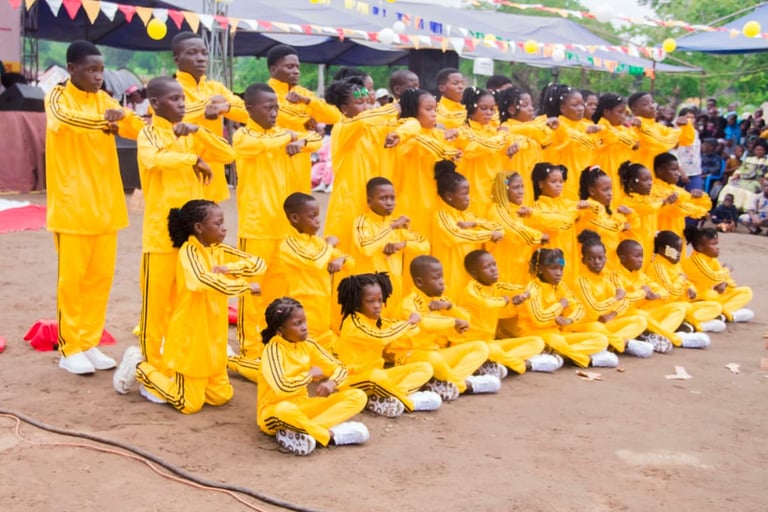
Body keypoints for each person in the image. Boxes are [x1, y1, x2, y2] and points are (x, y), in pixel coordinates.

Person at [45, 41, 145, 375]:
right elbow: (67, 120)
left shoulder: (105, 100)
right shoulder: (58, 96)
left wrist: (121, 119)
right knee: (72, 281)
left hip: (107, 206)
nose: (98, 76)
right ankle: (69, 347)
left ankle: (88, 341)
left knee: (99, 279)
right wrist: (107, 121)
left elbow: (136, 127)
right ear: (71, 68)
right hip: (73, 208)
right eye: (91, 69)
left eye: (101, 70)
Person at [113, 200, 266, 412]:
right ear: (199, 228)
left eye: (223, 222)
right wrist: (243, 286)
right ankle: (140, 367)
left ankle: (185, 380)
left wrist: (228, 267)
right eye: (218, 223)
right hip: (191, 340)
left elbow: (258, 263)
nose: (224, 227)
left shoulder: (220, 249)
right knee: (189, 404)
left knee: (222, 396)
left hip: (213, 340)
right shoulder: (189, 252)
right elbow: (203, 281)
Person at [136, 76, 235, 376]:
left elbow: (228, 154)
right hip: (161, 234)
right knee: (156, 305)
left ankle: (177, 360)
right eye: (174, 100)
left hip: (192, 237)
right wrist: (192, 159)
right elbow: (154, 159)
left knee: (185, 300)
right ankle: (149, 366)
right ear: (155, 104)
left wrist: (200, 133)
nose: (182, 104)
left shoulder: (191, 134)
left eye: (183, 99)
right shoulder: (149, 133)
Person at [228, 83, 320, 383]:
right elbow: (264, 143)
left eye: (276, 107)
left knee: (280, 289)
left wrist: (300, 142)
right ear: (250, 109)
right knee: (251, 291)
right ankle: (249, 350)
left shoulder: (281, 137)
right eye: (267, 107)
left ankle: (273, 342)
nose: (273, 112)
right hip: (256, 228)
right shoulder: (244, 136)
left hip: (282, 228)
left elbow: (317, 138)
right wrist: (293, 137)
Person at [256, 297, 369, 456]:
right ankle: (330, 436)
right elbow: (282, 388)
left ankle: (305, 431)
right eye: (297, 324)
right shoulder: (272, 350)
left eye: (304, 321)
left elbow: (340, 367)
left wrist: (332, 382)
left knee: (358, 396)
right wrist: (308, 375)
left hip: (303, 407)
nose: (304, 328)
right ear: (280, 329)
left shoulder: (308, 344)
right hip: (274, 411)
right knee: (286, 409)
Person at [335, 273, 442, 417]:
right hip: (354, 381)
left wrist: (409, 324)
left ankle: (383, 398)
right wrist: (408, 322)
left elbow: (411, 329)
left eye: (380, 300)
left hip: (379, 378)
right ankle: (408, 402)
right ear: (356, 302)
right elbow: (381, 338)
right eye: (370, 301)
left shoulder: (377, 321)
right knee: (377, 376)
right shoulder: (353, 323)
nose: (377, 305)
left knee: (424, 367)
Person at [396, 256, 500, 401]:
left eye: (442, 277)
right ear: (420, 282)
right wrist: (453, 321)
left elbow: (467, 320)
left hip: (436, 354)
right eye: (436, 278)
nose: (442, 282)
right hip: (408, 357)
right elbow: (425, 322)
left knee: (480, 348)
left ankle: (443, 382)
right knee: (434, 358)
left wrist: (449, 307)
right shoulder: (408, 304)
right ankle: (462, 385)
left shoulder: (440, 300)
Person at [323, 76, 400, 252]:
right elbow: (364, 120)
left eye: (367, 102)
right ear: (344, 108)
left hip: (372, 201)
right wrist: (392, 108)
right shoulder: (343, 128)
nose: (366, 107)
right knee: (345, 253)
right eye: (359, 103)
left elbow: (397, 125)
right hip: (349, 203)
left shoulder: (372, 127)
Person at [171, 32, 249, 202]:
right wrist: (205, 107)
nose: (201, 58)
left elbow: (248, 113)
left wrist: (226, 107)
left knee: (211, 225)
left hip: (212, 174)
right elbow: (168, 119)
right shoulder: (169, 89)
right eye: (192, 53)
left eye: (204, 53)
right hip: (183, 173)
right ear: (177, 59)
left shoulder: (216, 89)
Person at [459, 250, 563, 375]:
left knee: (536, 342)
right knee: (490, 350)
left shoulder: (497, 286)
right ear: (474, 273)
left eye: (494, 264)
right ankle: (527, 364)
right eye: (487, 267)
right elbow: (488, 302)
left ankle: (494, 364)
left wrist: (525, 295)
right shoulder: (470, 291)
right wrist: (507, 300)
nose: (493, 269)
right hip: (472, 345)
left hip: (490, 343)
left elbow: (529, 289)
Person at [516, 248, 615, 368]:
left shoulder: (561, 286)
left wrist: (569, 320)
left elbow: (579, 308)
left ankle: (559, 354)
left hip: (558, 335)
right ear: (541, 269)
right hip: (534, 335)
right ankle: (588, 360)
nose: (559, 273)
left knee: (600, 339)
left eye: (561, 269)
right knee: (558, 342)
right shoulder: (532, 288)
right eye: (553, 268)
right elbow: (540, 320)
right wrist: (560, 305)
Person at [278, 193, 354, 350]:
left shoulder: (318, 243)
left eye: (318, 215)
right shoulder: (289, 244)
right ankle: (236, 362)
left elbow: (351, 263)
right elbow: (314, 261)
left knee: (346, 356)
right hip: (304, 317)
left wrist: (341, 260)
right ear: (294, 218)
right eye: (312, 216)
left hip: (323, 321)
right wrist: (331, 245)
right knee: (310, 360)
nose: (318, 220)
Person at [266, 44, 342, 193]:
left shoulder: (303, 94)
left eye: (297, 67)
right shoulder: (264, 94)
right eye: (290, 67)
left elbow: (335, 116)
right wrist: (304, 120)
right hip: (273, 166)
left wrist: (308, 101)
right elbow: (274, 122)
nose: (296, 71)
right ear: (274, 69)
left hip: (300, 167)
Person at [350, 177, 430, 314]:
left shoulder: (397, 224)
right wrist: (391, 228)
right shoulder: (362, 221)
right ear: (369, 201)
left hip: (394, 286)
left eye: (392, 198)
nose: (389, 203)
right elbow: (366, 248)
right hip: (370, 288)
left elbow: (425, 246)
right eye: (383, 198)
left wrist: (402, 245)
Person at [387, 88, 461, 236]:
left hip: (435, 203)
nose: (434, 114)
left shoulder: (437, 134)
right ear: (414, 111)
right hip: (413, 204)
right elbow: (412, 132)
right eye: (428, 109)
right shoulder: (406, 136)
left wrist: (454, 140)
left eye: (435, 109)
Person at [613, 239, 708, 351]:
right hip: (627, 317)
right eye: (637, 257)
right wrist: (642, 293)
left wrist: (656, 295)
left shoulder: (640, 275)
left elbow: (665, 293)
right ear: (623, 258)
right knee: (641, 316)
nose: (641, 260)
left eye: (642, 256)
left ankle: (652, 336)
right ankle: (676, 339)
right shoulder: (615, 276)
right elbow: (623, 300)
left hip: (648, 313)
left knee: (679, 307)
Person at [571, 231, 652, 358]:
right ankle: (622, 344)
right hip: (582, 325)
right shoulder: (581, 281)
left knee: (639, 321)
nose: (597, 262)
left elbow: (624, 301)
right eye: (591, 259)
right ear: (584, 260)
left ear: (606, 258)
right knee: (597, 327)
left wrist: (612, 314)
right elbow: (594, 310)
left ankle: (609, 345)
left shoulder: (604, 278)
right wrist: (614, 299)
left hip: (604, 322)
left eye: (600, 258)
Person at [431, 161, 503, 298]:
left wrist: (475, 224)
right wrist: (487, 235)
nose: (469, 198)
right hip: (452, 279)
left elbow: (497, 228)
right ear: (449, 196)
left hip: (470, 279)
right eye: (464, 194)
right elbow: (455, 235)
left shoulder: (467, 216)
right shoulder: (441, 216)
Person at [648, 231, 725, 336]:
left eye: (680, 250)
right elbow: (673, 292)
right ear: (662, 250)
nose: (679, 254)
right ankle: (660, 334)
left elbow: (686, 280)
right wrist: (680, 279)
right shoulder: (658, 266)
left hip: (681, 304)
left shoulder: (675, 264)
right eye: (675, 251)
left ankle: (687, 324)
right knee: (681, 308)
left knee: (715, 306)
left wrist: (690, 287)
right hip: (662, 307)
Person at [456, 86, 517, 215]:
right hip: (475, 193)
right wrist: (503, 136)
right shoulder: (463, 133)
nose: (489, 113)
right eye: (483, 108)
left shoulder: (494, 132)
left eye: (492, 109)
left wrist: (509, 154)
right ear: (471, 108)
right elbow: (485, 147)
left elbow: (503, 167)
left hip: (494, 193)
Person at [525, 163, 587, 286]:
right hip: (550, 263)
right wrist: (571, 215)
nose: (559, 185)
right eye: (553, 181)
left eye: (561, 181)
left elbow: (592, 209)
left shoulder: (566, 204)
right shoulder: (536, 208)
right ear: (541, 184)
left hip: (569, 257)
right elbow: (559, 223)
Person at [540, 83, 603, 200]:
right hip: (565, 187)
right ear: (562, 108)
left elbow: (596, 145)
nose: (581, 108)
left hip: (584, 184)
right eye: (575, 105)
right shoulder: (556, 125)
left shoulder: (587, 126)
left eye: (582, 104)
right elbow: (574, 138)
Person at [496, 87, 558, 205]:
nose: (531, 109)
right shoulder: (504, 130)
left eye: (531, 105)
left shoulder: (526, 127)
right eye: (525, 105)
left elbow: (546, 136)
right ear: (512, 109)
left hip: (530, 185)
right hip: (513, 186)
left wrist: (518, 129)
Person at [682, 226, 754, 323]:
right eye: (713, 244)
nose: (717, 247)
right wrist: (727, 269)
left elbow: (730, 282)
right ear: (700, 247)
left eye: (717, 244)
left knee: (746, 291)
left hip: (712, 296)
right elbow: (714, 277)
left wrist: (725, 284)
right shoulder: (696, 260)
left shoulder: (712, 259)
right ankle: (722, 313)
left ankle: (722, 313)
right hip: (698, 299)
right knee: (713, 300)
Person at [487, 171, 548, 285]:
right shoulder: (497, 210)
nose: (521, 191)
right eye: (516, 187)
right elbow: (514, 230)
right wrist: (539, 236)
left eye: (522, 187)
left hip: (520, 269)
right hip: (505, 270)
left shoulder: (517, 210)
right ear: (504, 189)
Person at [575, 166, 632, 269]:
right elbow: (611, 228)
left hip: (610, 266)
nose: (610, 193)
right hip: (592, 269)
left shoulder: (608, 211)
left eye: (611, 189)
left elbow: (632, 226)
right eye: (605, 190)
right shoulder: (587, 211)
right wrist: (622, 226)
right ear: (592, 191)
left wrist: (631, 215)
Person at [628, 92, 695, 172]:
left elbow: (686, 140)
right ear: (634, 110)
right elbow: (662, 144)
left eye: (652, 102)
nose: (652, 106)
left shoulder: (657, 127)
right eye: (645, 104)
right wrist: (676, 133)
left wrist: (686, 126)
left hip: (656, 178)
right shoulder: (637, 128)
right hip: (643, 177)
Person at [652, 152, 710, 241]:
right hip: (662, 237)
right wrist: (700, 212)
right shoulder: (655, 189)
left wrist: (700, 196)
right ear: (660, 171)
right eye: (673, 170)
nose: (678, 174)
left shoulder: (676, 189)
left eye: (678, 170)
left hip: (677, 234)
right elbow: (677, 208)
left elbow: (703, 205)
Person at [592, 93, 639, 201]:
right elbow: (625, 140)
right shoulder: (600, 129)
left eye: (625, 113)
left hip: (620, 178)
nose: (624, 116)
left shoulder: (621, 129)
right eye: (620, 112)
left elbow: (636, 143)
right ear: (606, 112)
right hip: (607, 177)